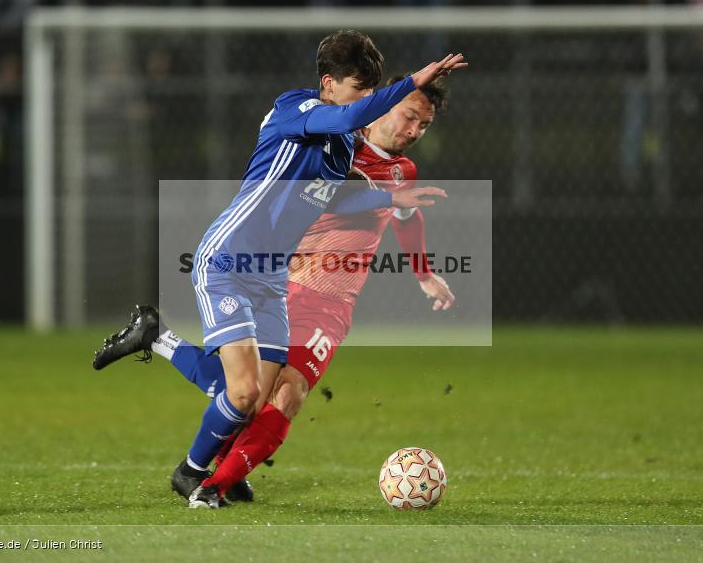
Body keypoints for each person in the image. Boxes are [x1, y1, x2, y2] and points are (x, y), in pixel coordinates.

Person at [92, 29, 466, 509]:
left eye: (375, 93)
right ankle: (198, 476)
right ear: (328, 84)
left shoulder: (346, 150)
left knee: (252, 396)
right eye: (361, 90)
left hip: (271, 278)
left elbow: (346, 189)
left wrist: (397, 208)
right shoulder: (297, 108)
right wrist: (416, 78)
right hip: (230, 260)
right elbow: (351, 117)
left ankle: (161, 350)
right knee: (253, 392)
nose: (368, 103)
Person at [202, 75, 454, 499]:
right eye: (409, 116)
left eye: (423, 126)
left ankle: (212, 485)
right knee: (251, 392)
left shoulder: (401, 171)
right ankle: (165, 347)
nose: (413, 131)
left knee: (288, 393)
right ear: (382, 104)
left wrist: (424, 273)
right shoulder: (335, 142)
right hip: (276, 283)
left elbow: (409, 220)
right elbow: (318, 193)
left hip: (328, 301)